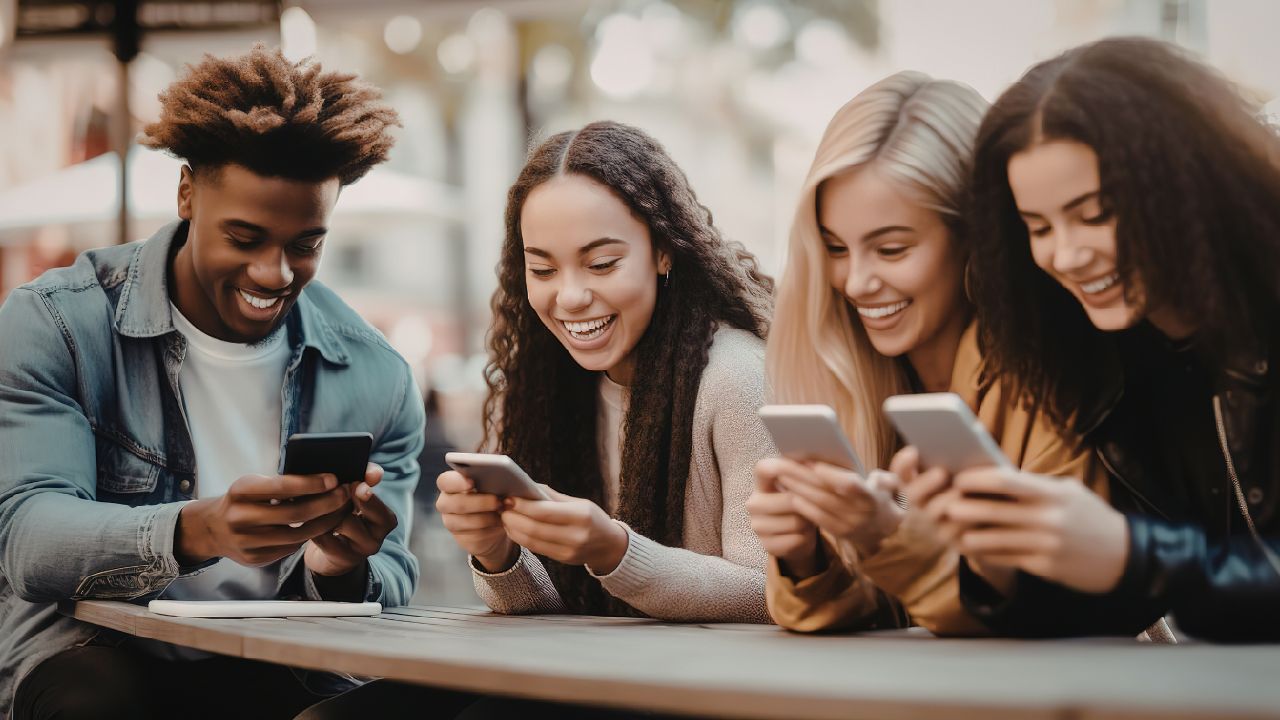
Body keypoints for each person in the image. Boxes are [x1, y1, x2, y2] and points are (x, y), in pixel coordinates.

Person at [0, 46, 422, 719]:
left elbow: (394, 580)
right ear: (187, 194)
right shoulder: (58, 323)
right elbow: (29, 538)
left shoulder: (375, 374)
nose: (275, 272)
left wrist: (338, 566)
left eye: (305, 243)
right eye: (245, 237)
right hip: (98, 656)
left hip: (281, 667)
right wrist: (200, 530)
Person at [929, 37, 1280, 641]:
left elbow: (1157, 571)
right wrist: (998, 554)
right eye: (1038, 227)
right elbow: (1119, 603)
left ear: (1187, 186)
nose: (1066, 254)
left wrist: (1133, 554)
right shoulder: (1113, 367)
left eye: (1097, 214)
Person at [746, 71, 1108, 635]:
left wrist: (885, 537)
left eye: (892, 248)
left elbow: (1037, 613)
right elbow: (890, 610)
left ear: (975, 238)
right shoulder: (857, 373)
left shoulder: (1049, 378)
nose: (857, 282)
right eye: (836, 248)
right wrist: (804, 558)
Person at [437, 120, 776, 623]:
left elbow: (770, 592)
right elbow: (557, 614)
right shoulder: (542, 384)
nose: (570, 297)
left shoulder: (735, 377)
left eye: (601, 264)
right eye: (544, 270)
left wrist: (615, 552)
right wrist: (497, 553)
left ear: (663, 251)